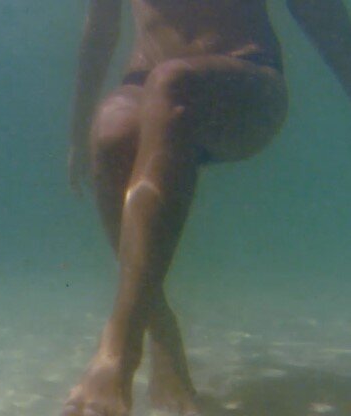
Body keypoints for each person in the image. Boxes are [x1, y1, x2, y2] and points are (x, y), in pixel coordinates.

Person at [64, 1, 351, 415]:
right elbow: (100, 28)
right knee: (110, 132)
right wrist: (78, 133)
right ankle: (163, 341)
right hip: (144, 82)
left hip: (247, 82)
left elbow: (320, 14)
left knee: (173, 81)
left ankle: (117, 353)